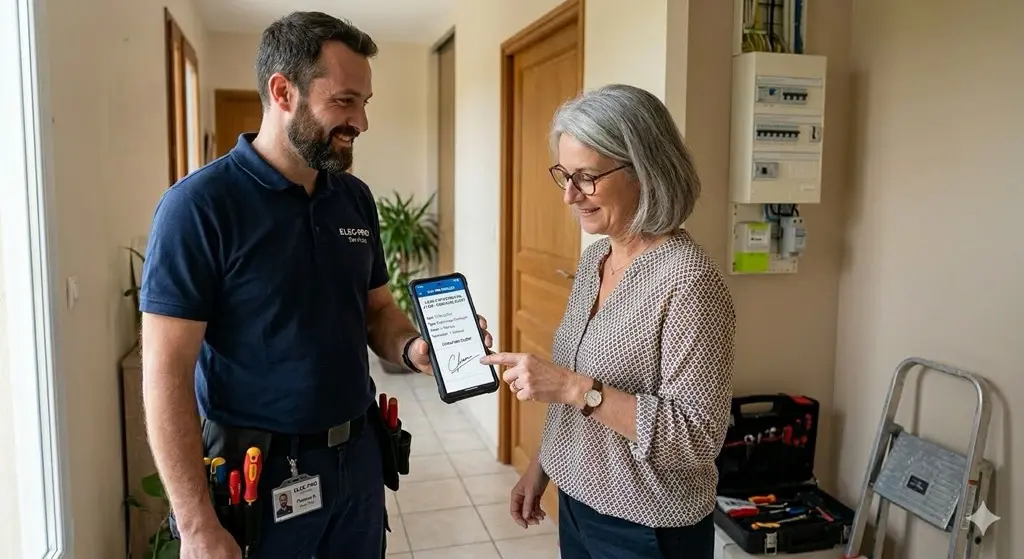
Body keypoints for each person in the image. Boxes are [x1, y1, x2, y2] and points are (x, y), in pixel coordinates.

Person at [139, 11, 492, 559]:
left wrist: (413, 346)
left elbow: (376, 309)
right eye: (345, 101)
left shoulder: (353, 199)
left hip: (357, 461)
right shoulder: (198, 209)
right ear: (284, 91)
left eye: (365, 103)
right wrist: (196, 524)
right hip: (257, 475)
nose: (362, 122)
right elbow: (165, 373)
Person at [480, 84, 736, 559]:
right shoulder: (597, 259)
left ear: (644, 171)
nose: (570, 196)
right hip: (576, 506)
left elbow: (698, 439)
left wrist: (576, 388)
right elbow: (570, 386)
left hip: (648, 527)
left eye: (587, 177)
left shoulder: (689, 281)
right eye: (564, 175)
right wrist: (543, 465)